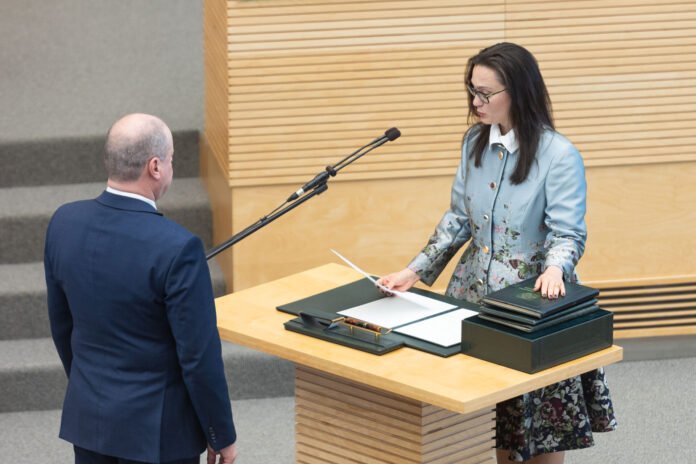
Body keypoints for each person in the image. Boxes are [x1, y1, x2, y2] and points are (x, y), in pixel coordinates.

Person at [377, 43, 616, 463]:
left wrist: (555, 269)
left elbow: (567, 233)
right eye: (472, 90)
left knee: (537, 428)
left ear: (518, 92)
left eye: (486, 93)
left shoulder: (558, 155)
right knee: (487, 425)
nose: (475, 102)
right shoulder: (474, 141)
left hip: (532, 303)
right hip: (472, 297)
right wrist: (413, 271)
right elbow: (458, 219)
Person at [44, 113, 238, 464]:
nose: (171, 166)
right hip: (157, 435)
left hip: (90, 420)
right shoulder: (179, 248)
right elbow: (198, 356)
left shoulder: (63, 223)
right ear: (155, 167)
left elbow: (62, 326)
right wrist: (219, 433)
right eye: (171, 159)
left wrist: (92, 389)